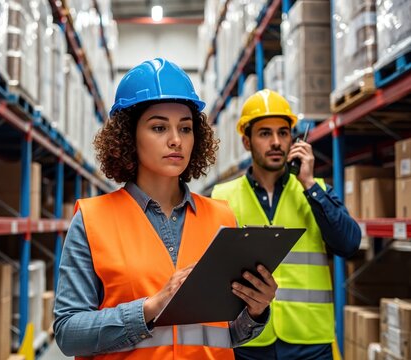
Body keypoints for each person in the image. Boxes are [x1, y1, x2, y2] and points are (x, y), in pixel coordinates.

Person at [53, 58, 278, 359]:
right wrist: (151, 307)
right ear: (128, 136)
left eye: (185, 129)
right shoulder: (93, 220)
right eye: (159, 127)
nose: (176, 140)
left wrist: (256, 310)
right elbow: (69, 333)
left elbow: (227, 334)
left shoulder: (221, 217)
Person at [212, 89, 362, 360]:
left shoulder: (316, 192)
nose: (276, 142)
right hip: (249, 340)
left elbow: (349, 244)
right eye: (265, 133)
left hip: (310, 340)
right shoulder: (222, 197)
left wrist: (309, 184)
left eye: (283, 133)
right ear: (247, 142)